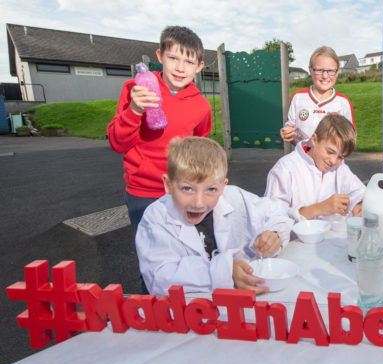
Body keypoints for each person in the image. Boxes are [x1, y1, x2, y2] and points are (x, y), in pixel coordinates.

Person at [136, 136, 293, 296]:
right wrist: (225, 271)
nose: (198, 203)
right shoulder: (156, 218)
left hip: (238, 307)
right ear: (168, 185)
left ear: (222, 187)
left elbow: (278, 212)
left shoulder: (235, 197)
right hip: (188, 313)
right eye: (187, 189)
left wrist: (274, 233)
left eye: (210, 190)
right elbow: (160, 277)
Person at [108, 25, 212, 233]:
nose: (180, 68)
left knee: (189, 251)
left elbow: (200, 148)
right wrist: (135, 110)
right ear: (160, 56)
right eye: (173, 58)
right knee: (152, 256)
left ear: (199, 66)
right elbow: (117, 143)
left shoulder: (202, 106)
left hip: (183, 191)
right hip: (143, 192)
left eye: (189, 62)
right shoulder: (135, 90)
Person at [266, 114, 365, 223]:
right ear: (314, 139)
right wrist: (319, 208)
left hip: (329, 238)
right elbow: (273, 219)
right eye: (330, 152)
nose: (333, 160)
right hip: (293, 239)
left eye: (340, 157)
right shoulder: (285, 168)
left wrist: (359, 205)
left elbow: (360, 192)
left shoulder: (339, 168)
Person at [280, 46, 355, 145]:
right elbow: (290, 124)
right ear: (310, 70)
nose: (325, 76)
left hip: (331, 159)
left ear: (337, 72)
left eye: (331, 71)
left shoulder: (343, 102)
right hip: (303, 156)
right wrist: (287, 130)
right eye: (319, 70)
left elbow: (351, 136)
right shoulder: (298, 97)